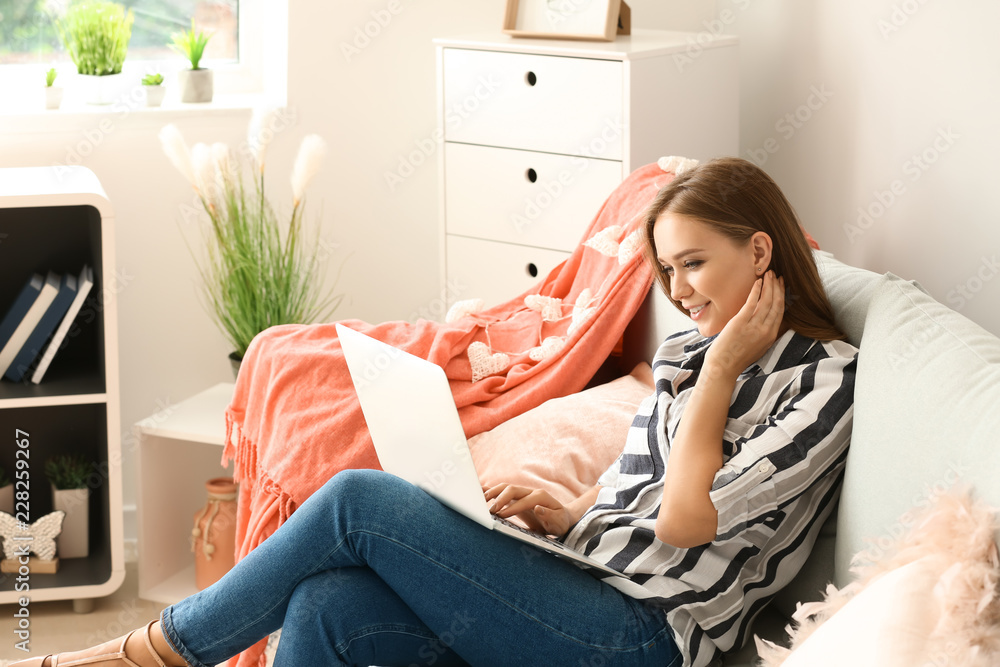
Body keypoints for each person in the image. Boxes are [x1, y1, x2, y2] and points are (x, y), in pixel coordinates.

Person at [12, 157, 856, 667]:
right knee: (327, 605)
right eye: (666, 270)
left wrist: (719, 378)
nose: (677, 292)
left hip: (641, 641)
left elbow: (682, 527)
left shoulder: (823, 383)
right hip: (582, 586)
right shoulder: (686, 352)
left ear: (759, 249)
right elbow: (642, 501)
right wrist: (568, 515)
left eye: (693, 264)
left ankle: (155, 650)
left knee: (354, 501)